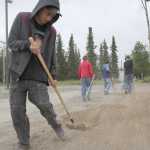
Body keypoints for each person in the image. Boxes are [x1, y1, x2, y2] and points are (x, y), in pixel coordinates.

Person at [8, 0, 65, 148]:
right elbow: (11, 42)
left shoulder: (51, 32)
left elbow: (52, 55)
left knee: (45, 105)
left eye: (53, 16)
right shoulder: (22, 18)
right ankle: (24, 142)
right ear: (40, 8)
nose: (49, 18)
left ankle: (57, 125)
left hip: (38, 76)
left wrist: (53, 75)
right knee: (17, 111)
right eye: (48, 14)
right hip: (18, 74)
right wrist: (28, 45)